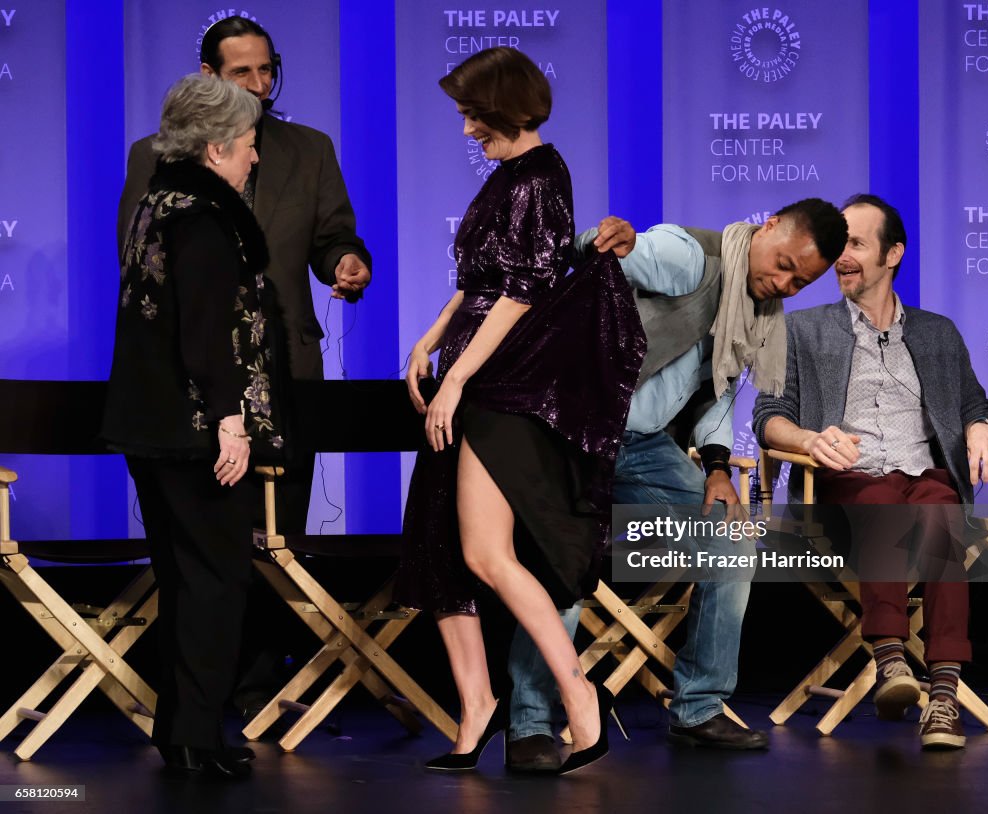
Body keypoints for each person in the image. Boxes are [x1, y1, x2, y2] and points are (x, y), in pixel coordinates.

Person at [504, 200, 849, 770]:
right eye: (784, 263)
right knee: (564, 561)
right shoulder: (693, 258)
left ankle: (698, 706)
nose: (783, 283)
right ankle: (531, 724)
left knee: (732, 543)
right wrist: (607, 237)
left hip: (641, 446)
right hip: (573, 434)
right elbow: (612, 250)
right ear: (766, 228)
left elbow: (717, 396)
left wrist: (717, 465)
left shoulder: (756, 315)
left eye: (799, 281)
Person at [397, 47, 646, 775]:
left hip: (504, 382)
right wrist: (432, 337)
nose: (467, 128)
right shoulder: (508, 177)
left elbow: (522, 291)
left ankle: (578, 695)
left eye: (475, 114)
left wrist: (457, 382)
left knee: (485, 554)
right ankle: (475, 713)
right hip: (472, 370)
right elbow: (478, 281)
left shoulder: (541, 176)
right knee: (443, 551)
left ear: (508, 109)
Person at [752, 193, 988, 750]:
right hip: (847, 487)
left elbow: (973, 404)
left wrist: (983, 424)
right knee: (880, 504)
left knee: (943, 512)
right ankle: (892, 661)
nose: (841, 256)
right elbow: (769, 417)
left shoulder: (938, 333)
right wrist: (810, 439)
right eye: (838, 244)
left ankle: (942, 695)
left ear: (893, 255)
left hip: (924, 479)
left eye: (856, 245)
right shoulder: (804, 330)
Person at [118, 15, 371, 535]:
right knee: (209, 546)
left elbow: (333, 237)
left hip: (289, 370)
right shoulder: (154, 156)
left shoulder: (310, 148)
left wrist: (344, 261)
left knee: (284, 537)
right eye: (242, 72)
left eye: (266, 69)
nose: (259, 85)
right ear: (208, 74)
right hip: (195, 379)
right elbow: (138, 259)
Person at [102, 74, 281, 778]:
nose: (254, 158)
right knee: (214, 581)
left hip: (149, 425)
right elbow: (205, 336)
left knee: (182, 581)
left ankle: (181, 730)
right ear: (214, 149)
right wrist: (231, 423)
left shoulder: (156, 201)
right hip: (195, 429)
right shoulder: (204, 218)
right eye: (247, 145)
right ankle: (197, 738)